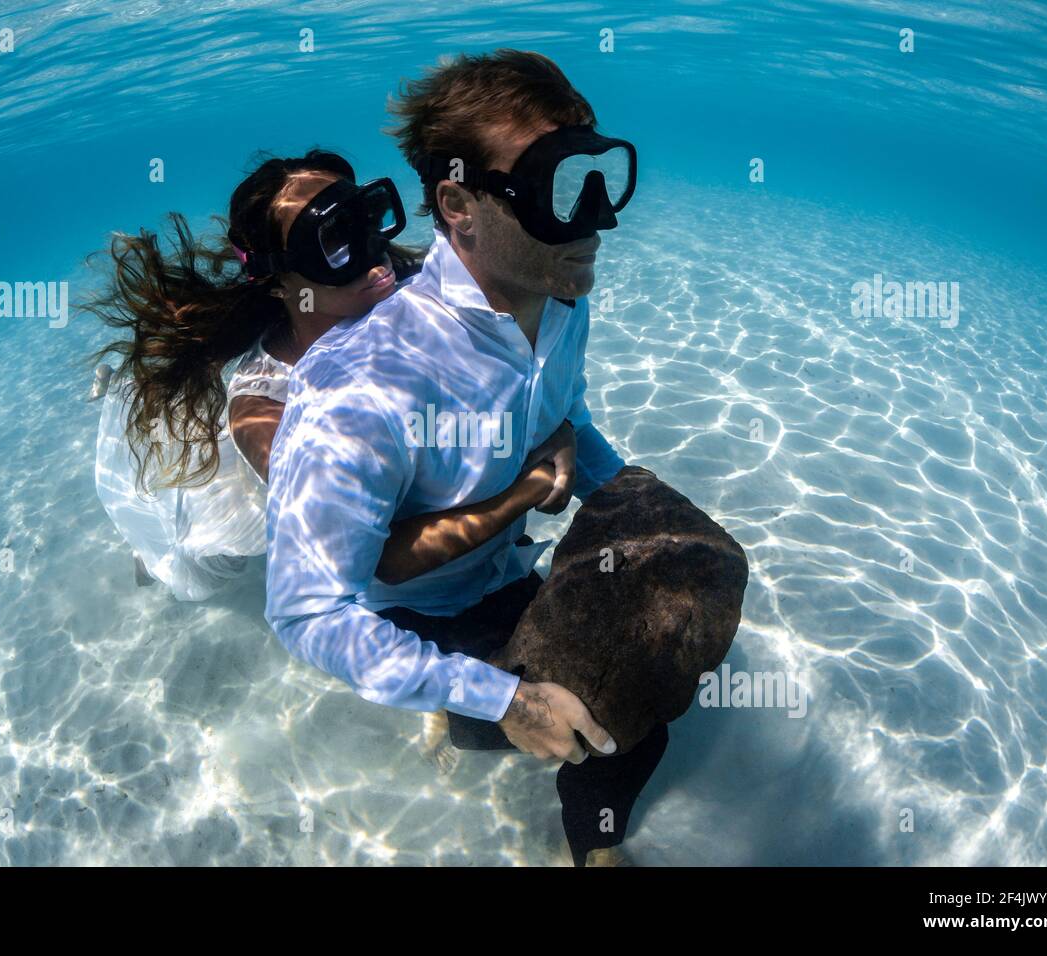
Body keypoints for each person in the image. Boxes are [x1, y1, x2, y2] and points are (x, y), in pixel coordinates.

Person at [264, 51, 665, 866]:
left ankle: (586, 836)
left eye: (598, 177)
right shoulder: (359, 387)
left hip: (509, 567)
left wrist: (630, 502)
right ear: (459, 205)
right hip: (424, 611)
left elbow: (565, 418)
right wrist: (503, 698)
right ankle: (495, 755)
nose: (597, 220)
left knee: (637, 717)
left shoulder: (558, 304)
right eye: (558, 185)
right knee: (562, 724)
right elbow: (307, 613)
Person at [88, 149, 574, 604]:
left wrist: (557, 425)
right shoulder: (262, 406)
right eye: (334, 241)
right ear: (280, 281)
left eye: (366, 218)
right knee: (213, 557)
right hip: (283, 504)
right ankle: (147, 555)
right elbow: (374, 555)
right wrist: (526, 488)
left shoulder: (417, 287)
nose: (373, 252)